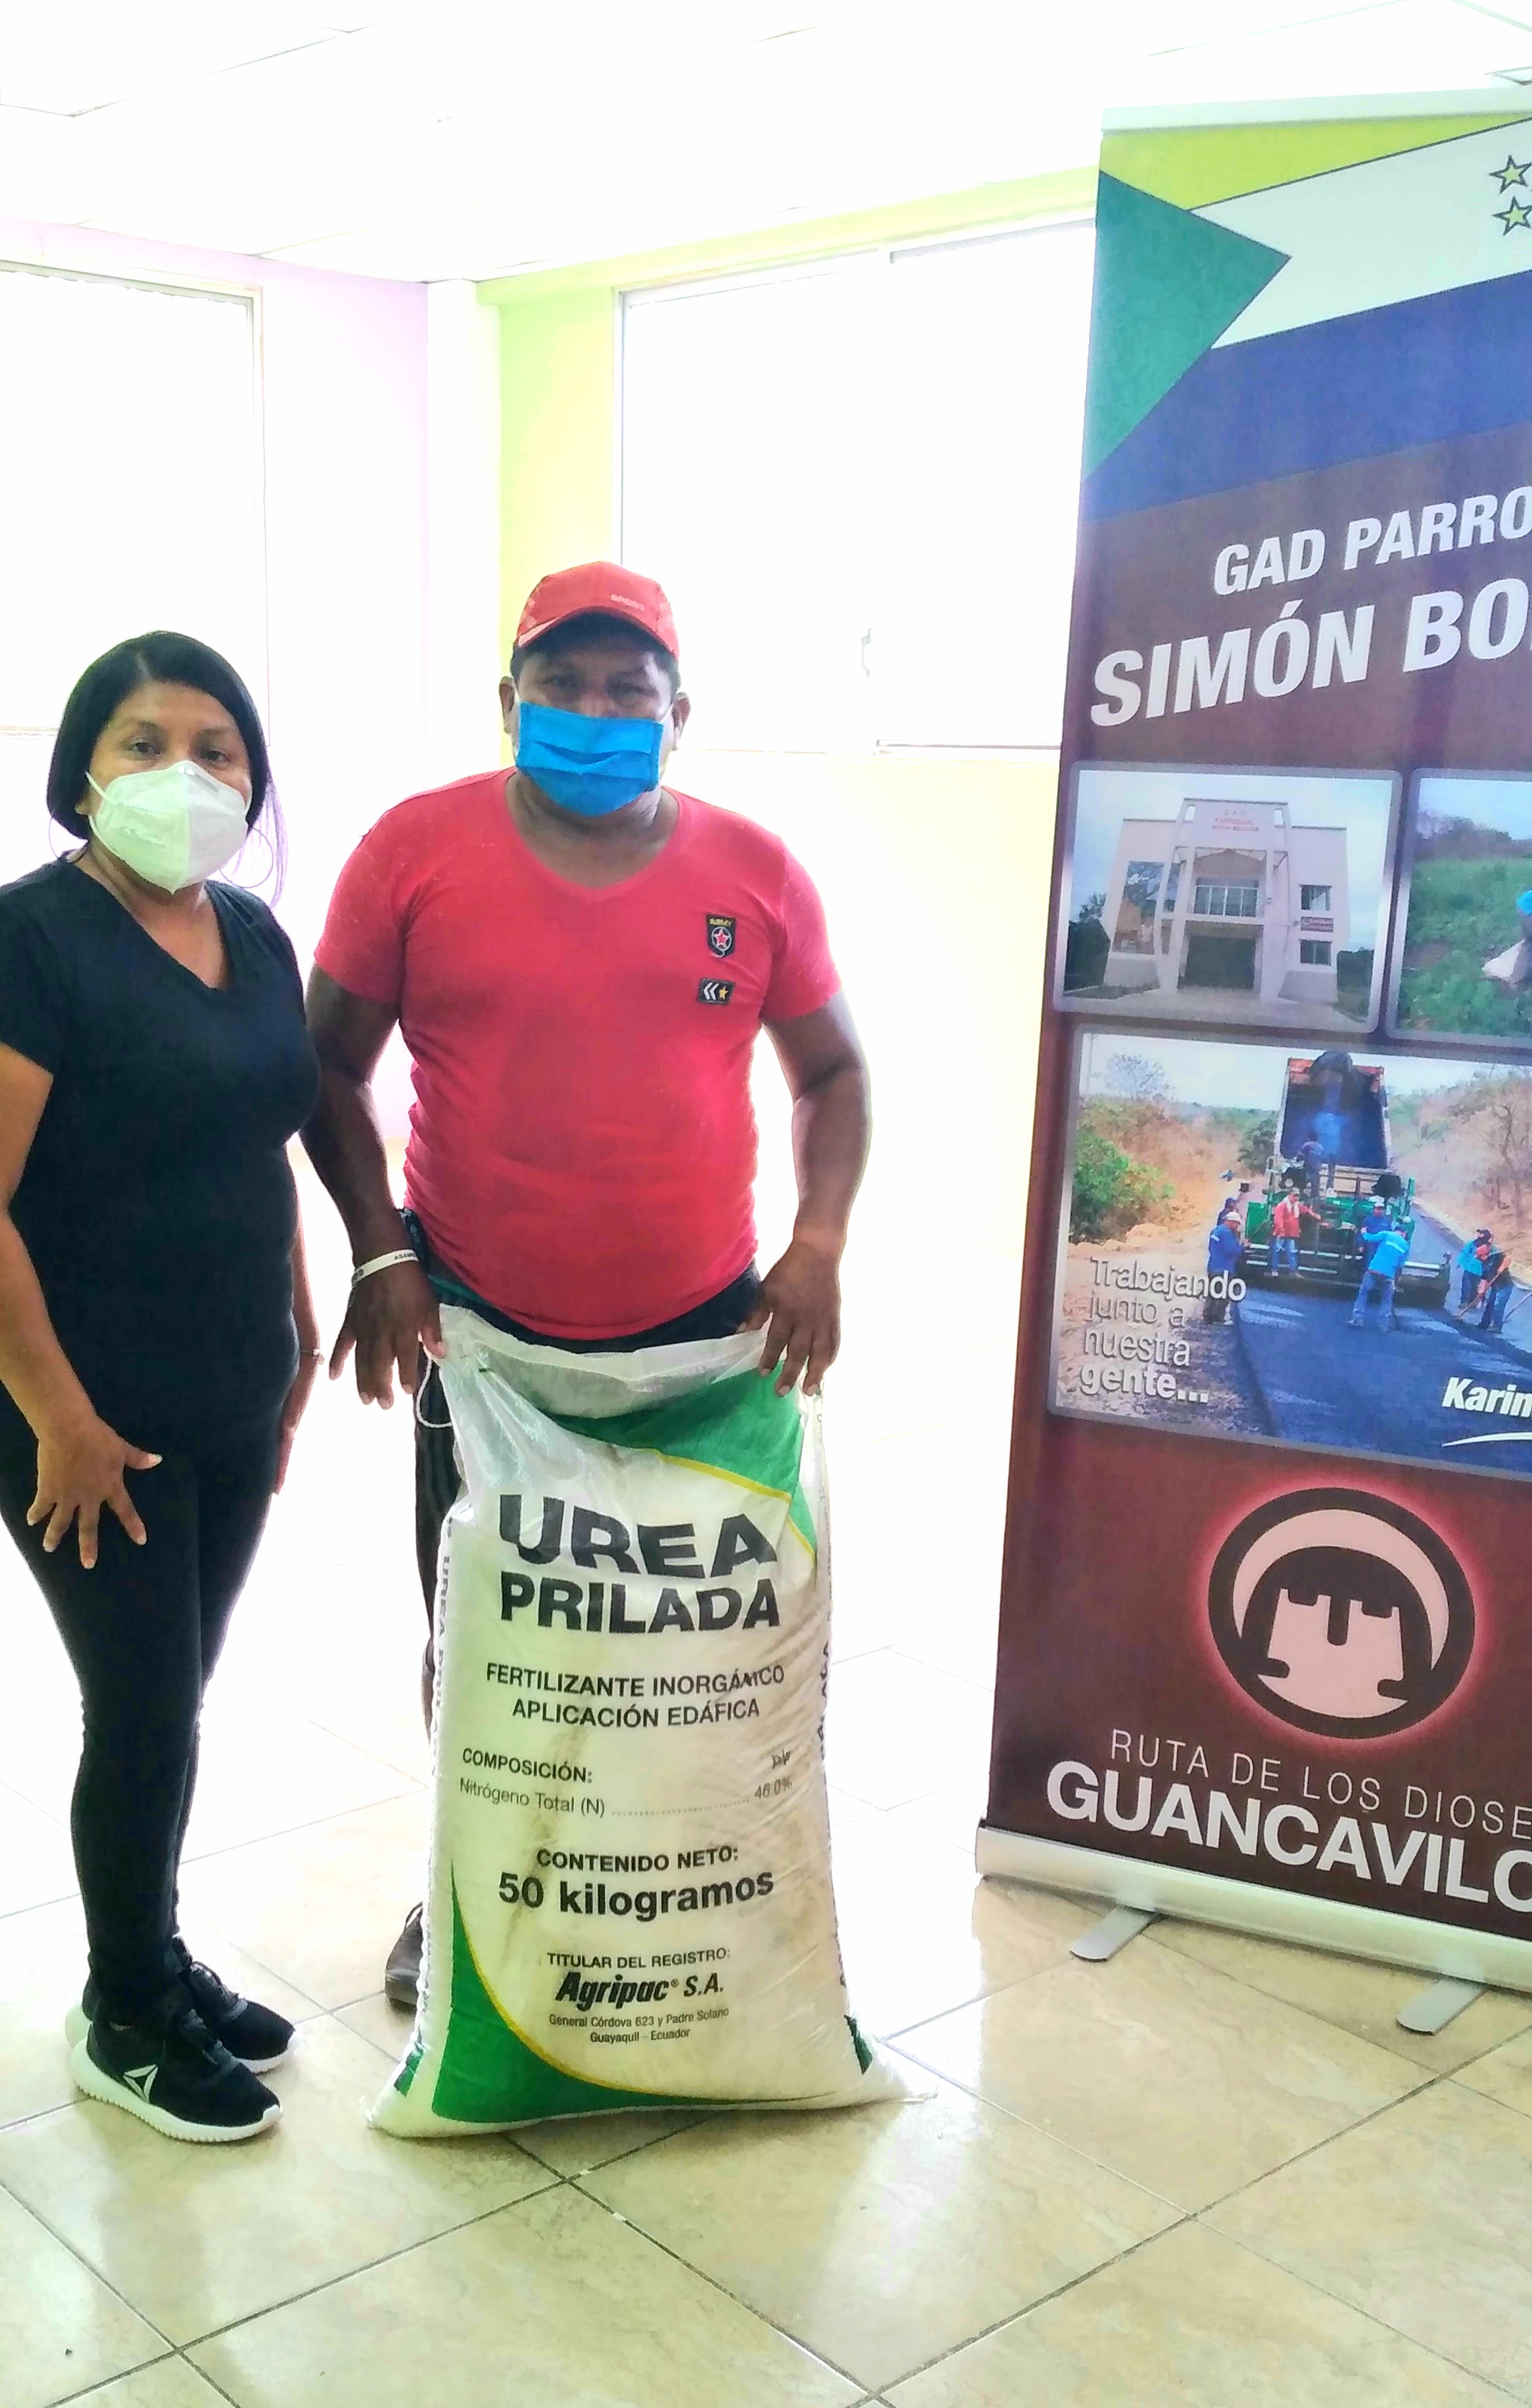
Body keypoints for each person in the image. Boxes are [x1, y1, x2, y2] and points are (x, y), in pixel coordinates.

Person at [302, 562, 869, 2009]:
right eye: (563, 684)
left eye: (629, 689)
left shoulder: (754, 870)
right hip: (480, 1332)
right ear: (509, 701)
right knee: (486, 1627)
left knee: (688, 1643)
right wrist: (380, 1252)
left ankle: (674, 1888)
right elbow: (325, 1065)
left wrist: (816, 1244)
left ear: (680, 714)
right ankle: (467, 1893)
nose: (595, 711)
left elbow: (832, 1071)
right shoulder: (412, 851)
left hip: (701, 1342)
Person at [0, 634, 322, 2143]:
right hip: (84, 1414)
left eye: (216, 746)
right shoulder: (33, 938)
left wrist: (298, 1315)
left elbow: (260, 1133)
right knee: (137, 1708)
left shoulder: (252, 932)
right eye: (143, 742)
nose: (183, 771)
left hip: (231, 1385)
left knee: (174, 1696)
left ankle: (161, 1952)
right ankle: (124, 2008)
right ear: (83, 771)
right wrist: (58, 1419)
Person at [1348, 1217, 1410, 1331]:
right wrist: (1396, 1280)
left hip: (1374, 1270)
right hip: (1388, 1275)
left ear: (1395, 1231)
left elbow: (1370, 1238)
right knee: (1387, 1300)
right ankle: (1383, 1325)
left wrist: (1363, 1232)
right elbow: (1400, 1266)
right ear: (1404, 1234)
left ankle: (1357, 1319)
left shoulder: (1386, 1234)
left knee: (1363, 1293)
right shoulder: (1406, 1246)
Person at [1202, 1207, 1245, 1324]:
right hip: (1224, 1269)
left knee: (1212, 1293)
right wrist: (1242, 1246)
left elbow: (1211, 1248)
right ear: (1231, 1222)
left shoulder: (1216, 1231)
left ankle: (1207, 1316)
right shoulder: (1227, 1233)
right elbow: (1232, 1251)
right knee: (1223, 1294)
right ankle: (1218, 1318)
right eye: (1236, 1224)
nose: (1237, 1226)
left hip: (1213, 1266)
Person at [1268, 1189, 1316, 1274]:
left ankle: (1293, 1271)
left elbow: (1306, 1210)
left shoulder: (1297, 1206)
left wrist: (1315, 1215)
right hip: (1281, 1234)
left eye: (1298, 1196)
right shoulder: (1282, 1205)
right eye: (1295, 1195)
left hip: (1291, 1234)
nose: (1296, 1198)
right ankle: (1274, 1269)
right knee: (1277, 1250)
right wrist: (1281, 1230)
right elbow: (1278, 1219)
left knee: (1292, 1251)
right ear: (1290, 1195)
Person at [1478, 1240, 1516, 1334]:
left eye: (1479, 1256)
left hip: (1505, 1286)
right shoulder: (1484, 1264)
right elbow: (1484, 1278)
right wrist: (1482, 1291)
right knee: (1490, 1304)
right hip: (1495, 1286)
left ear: (1484, 1255)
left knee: (1498, 1305)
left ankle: (1496, 1326)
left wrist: (1501, 1268)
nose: (1478, 1259)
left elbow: (1508, 1258)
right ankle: (1484, 1323)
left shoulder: (1496, 1257)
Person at [1454, 1229, 1492, 1316]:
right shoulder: (1488, 1246)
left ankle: (1465, 1302)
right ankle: (1472, 1303)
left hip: (1472, 1268)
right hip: (1478, 1270)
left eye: (1480, 1233)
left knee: (1467, 1285)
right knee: (1474, 1286)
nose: (1477, 1234)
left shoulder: (1473, 1244)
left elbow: (1465, 1253)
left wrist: (1460, 1263)